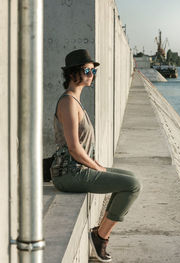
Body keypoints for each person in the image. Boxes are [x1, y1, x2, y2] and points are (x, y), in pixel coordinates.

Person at [50, 49, 142, 262]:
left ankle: (101, 232)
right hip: (68, 173)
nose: (92, 75)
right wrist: (97, 167)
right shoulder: (67, 102)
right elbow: (74, 147)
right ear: (74, 74)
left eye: (93, 71)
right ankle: (101, 236)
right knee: (132, 185)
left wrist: (96, 164)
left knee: (130, 177)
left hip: (77, 169)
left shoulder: (75, 101)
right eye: (87, 70)